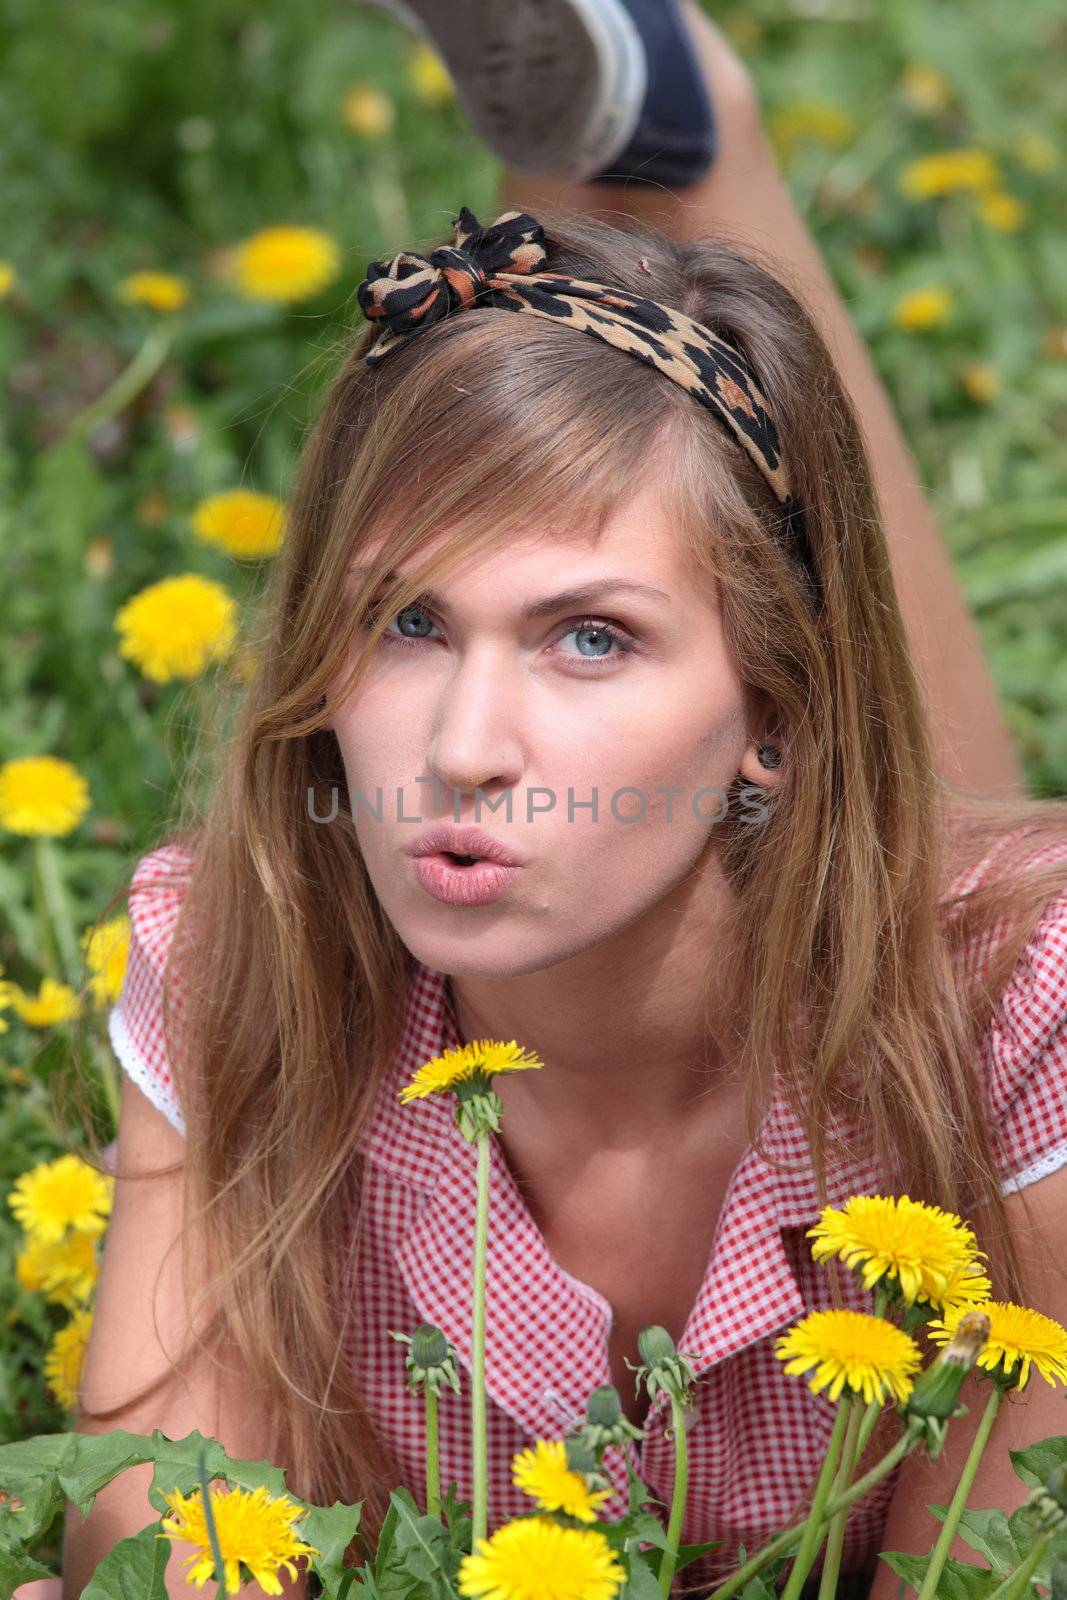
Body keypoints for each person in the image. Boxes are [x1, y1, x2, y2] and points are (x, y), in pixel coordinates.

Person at [46, 6, 1067, 1600]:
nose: (463, 745)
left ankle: (679, 125)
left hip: (926, 935)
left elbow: (980, 1571)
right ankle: (649, 127)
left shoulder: (1020, 1027)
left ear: (777, 715)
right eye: (404, 622)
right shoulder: (235, 953)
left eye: (590, 638)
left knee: (955, 885)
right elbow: (153, 1522)